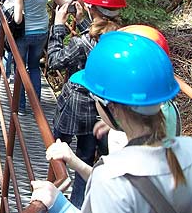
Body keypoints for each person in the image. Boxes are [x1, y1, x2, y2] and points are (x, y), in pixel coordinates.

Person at [31, 31, 192, 213]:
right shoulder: (188, 150)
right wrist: (74, 162)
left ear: (110, 107)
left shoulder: (110, 178)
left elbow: (116, 189)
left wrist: (60, 205)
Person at [48, 0, 126, 208]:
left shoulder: (82, 43)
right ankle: (79, 203)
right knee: (85, 156)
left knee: (58, 141)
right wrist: (83, 23)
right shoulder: (120, 36)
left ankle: (53, 183)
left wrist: (58, 26)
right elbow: (97, 42)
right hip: (97, 112)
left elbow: (54, 60)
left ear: (91, 8)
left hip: (74, 105)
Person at [10, 0, 78, 115]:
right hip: (42, 32)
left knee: (21, 68)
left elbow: (18, 19)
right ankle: (36, 106)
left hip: (25, 33)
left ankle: (22, 107)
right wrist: (73, 0)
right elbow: (62, 3)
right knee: (34, 68)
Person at [93, 24, 182, 153]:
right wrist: (117, 122)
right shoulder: (166, 108)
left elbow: (119, 172)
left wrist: (74, 162)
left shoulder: (126, 139)